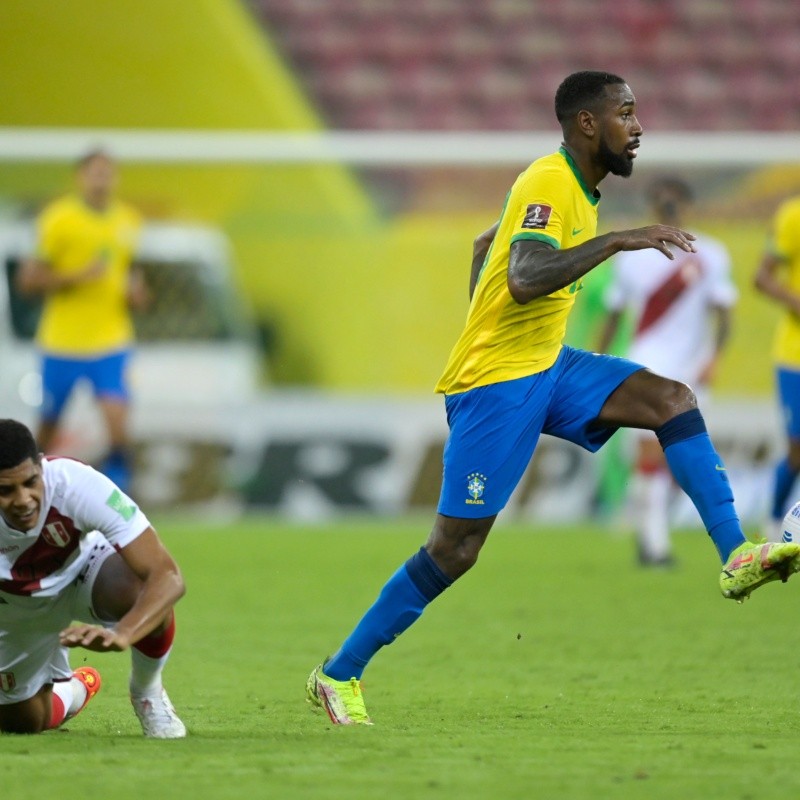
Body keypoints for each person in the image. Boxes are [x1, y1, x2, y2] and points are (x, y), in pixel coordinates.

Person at [305, 71, 800, 726]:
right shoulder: (551, 180)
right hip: (498, 384)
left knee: (671, 400)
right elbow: (525, 275)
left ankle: (736, 554)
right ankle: (338, 673)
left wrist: (493, 280)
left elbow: (495, 248)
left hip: (547, 365)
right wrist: (617, 240)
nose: (639, 126)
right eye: (626, 113)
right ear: (587, 124)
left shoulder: (571, 189)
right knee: (455, 549)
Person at [0, 418, 186, 737]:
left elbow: (167, 576)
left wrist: (124, 633)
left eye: (30, 482)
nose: (23, 499)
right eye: (5, 490)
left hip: (82, 573)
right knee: (25, 724)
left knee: (141, 588)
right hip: (16, 610)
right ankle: (73, 691)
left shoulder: (75, 482)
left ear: (41, 466)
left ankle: (147, 692)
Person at [596, 177, 737, 565]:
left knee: (682, 459)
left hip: (692, 365)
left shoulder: (711, 254)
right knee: (650, 452)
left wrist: (714, 357)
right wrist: (596, 362)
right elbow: (613, 315)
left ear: (688, 206)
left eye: (675, 203)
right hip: (648, 361)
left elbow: (724, 313)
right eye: (663, 203)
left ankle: (648, 525)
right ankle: (654, 543)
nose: (669, 209)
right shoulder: (632, 257)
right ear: (653, 207)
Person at [16, 148, 148, 494]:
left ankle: (121, 498)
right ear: (80, 177)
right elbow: (28, 280)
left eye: (108, 173)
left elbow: (131, 273)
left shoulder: (128, 220)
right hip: (62, 342)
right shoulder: (59, 219)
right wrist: (77, 276)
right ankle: (29, 489)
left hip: (111, 341)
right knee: (48, 425)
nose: (102, 180)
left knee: (117, 424)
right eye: (95, 173)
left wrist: (137, 294)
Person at [754, 194, 800, 540]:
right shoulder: (793, 215)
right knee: (798, 448)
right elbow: (762, 277)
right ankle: (773, 524)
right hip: (794, 356)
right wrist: (795, 302)